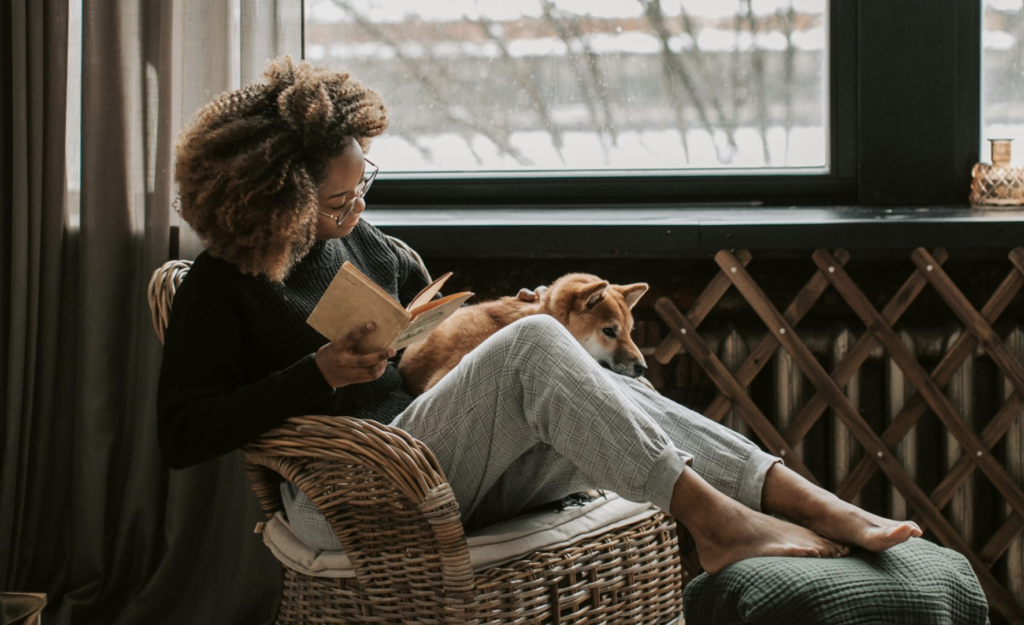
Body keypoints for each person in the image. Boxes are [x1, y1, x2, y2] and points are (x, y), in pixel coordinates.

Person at [158, 56, 921, 577]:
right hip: (347, 499)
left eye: (367, 185)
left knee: (598, 375)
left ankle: (804, 499)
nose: (358, 209)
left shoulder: (376, 248)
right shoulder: (222, 285)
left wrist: (493, 322)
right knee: (539, 342)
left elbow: (432, 357)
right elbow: (182, 434)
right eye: (338, 201)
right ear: (275, 196)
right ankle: (721, 524)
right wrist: (314, 374)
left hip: (439, 466)